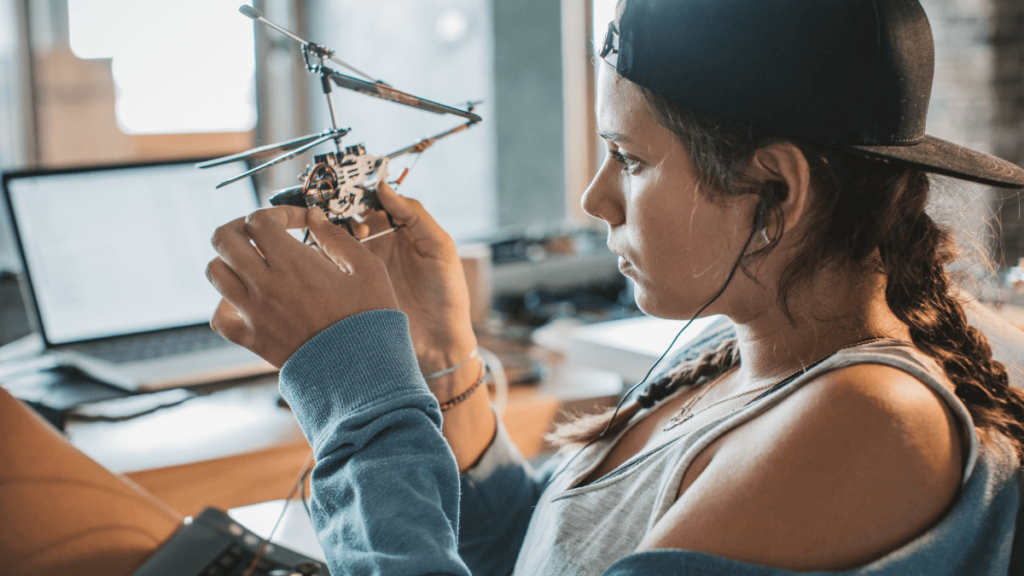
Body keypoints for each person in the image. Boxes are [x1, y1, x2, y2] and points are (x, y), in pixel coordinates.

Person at [4, 0, 1024, 574]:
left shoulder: (863, 421)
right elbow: (536, 552)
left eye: (628, 158)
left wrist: (355, 385)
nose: (593, 198)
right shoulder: (733, 360)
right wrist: (439, 349)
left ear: (777, 190)